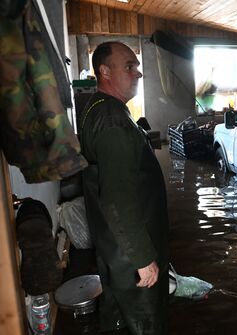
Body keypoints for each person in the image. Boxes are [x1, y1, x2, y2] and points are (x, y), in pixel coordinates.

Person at [80, 41, 169, 334]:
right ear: (104, 71)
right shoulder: (113, 121)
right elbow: (117, 198)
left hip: (113, 245)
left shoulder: (100, 108)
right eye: (129, 67)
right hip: (128, 253)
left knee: (118, 316)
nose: (138, 73)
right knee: (144, 320)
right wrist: (143, 258)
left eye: (137, 67)